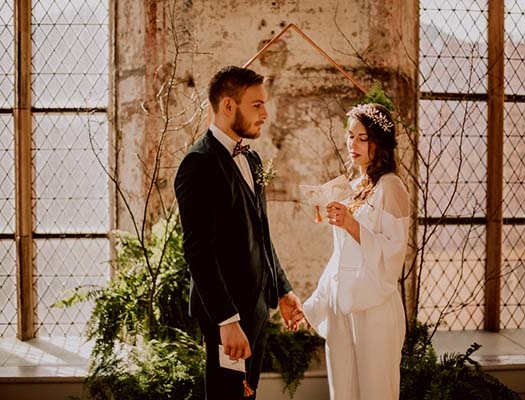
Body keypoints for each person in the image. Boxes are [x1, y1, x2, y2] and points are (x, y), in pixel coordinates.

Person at [174, 65, 303, 400]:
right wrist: (226, 320)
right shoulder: (198, 163)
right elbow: (198, 251)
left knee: (247, 395)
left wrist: (283, 289)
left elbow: (261, 233)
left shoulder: (253, 159)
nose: (265, 113)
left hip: (257, 305)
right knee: (227, 397)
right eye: (256, 104)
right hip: (226, 315)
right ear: (229, 106)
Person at [302, 103, 410, 400]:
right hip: (342, 309)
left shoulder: (392, 188)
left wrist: (352, 224)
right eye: (350, 136)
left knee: (376, 392)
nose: (353, 144)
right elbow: (340, 259)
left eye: (362, 138)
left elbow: (394, 253)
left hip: (374, 308)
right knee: (343, 393)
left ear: (380, 142)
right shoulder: (351, 187)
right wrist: (311, 305)